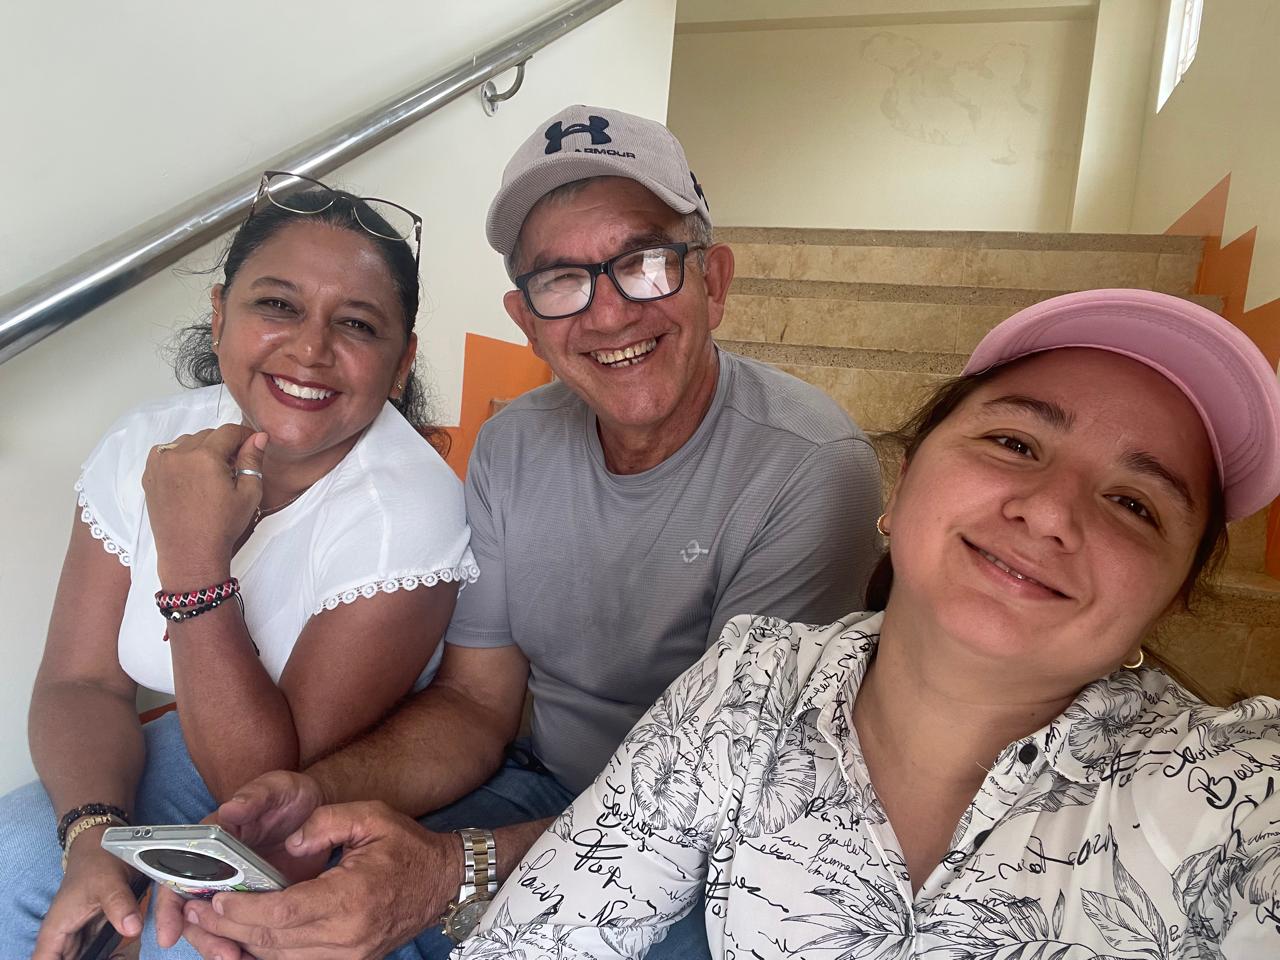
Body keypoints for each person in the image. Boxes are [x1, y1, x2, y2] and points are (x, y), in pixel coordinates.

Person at [158, 105, 883, 959]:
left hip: (716, 851)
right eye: (562, 280)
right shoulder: (512, 443)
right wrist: (309, 798)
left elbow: (727, 796)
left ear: (713, 281)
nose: (608, 315)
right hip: (534, 785)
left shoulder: (808, 467)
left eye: (645, 263)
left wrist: (453, 870)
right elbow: (476, 703)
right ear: (526, 318)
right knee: (265, 926)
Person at [452, 289, 1280, 958]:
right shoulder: (750, 682)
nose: (1052, 513)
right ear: (902, 485)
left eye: (1135, 504)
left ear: (1167, 600)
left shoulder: (1237, 796)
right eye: (1016, 443)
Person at [0, 172, 476, 959]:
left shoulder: (408, 508)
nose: (311, 349)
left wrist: (192, 555)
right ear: (220, 315)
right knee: (15, 860)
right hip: (193, 745)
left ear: (401, 364)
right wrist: (93, 835)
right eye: (278, 305)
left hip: (331, 783)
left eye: (356, 323)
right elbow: (80, 683)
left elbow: (256, 784)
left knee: (184, 945)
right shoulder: (146, 441)